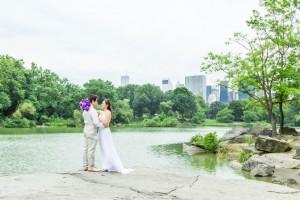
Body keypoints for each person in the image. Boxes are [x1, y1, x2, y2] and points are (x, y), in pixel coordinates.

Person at [98, 99, 133, 174]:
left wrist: (99, 119)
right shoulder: (102, 112)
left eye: (103, 103)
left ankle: (113, 165)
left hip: (105, 133)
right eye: (101, 103)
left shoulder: (108, 112)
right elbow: (94, 111)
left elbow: (106, 124)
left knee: (108, 148)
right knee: (103, 149)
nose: (101, 104)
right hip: (100, 133)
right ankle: (106, 165)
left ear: (107, 105)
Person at [81, 95, 104, 172]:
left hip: (86, 130)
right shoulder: (92, 110)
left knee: (86, 149)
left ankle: (85, 166)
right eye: (96, 101)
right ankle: (91, 167)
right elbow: (96, 122)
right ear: (93, 101)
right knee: (91, 149)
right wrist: (103, 125)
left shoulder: (85, 109)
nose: (97, 102)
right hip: (92, 131)